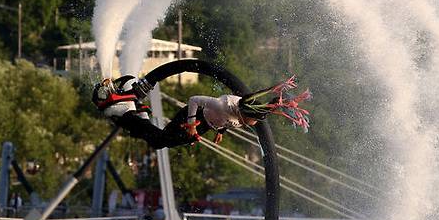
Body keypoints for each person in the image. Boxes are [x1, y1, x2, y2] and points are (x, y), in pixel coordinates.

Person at [92, 75, 311, 150]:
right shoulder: (223, 105)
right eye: (250, 120)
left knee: (160, 142)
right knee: (159, 141)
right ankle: (128, 114)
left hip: (206, 125)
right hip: (194, 115)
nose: (250, 124)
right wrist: (190, 123)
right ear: (245, 113)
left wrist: (222, 130)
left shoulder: (244, 117)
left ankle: (135, 114)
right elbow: (194, 99)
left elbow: (231, 121)